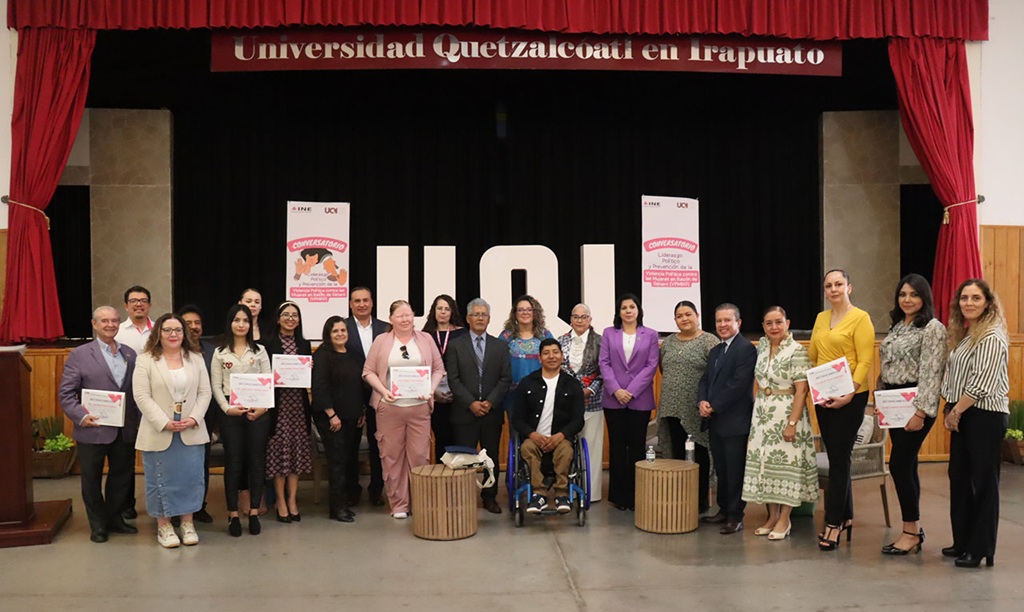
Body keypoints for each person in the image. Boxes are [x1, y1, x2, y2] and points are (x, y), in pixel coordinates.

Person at [940, 278, 1009, 568]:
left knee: (983, 483)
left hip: (984, 416)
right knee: (959, 478)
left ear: (988, 303)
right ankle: (963, 541)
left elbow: (981, 383)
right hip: (963, 413)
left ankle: (981, 548)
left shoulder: (992, 336)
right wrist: (952, 409)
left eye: (975, 298)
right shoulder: (969, 335)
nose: (969, 303)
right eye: (964, 298)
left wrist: (955, 412)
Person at [58, 306, 140, 543]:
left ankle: (114, 519)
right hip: (92, 429)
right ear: (94, 324)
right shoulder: (80, 354)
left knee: (122, 477)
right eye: (104, 321)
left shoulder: (130, 354)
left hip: (124, 429)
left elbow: (134, 392)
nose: (110, 325)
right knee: (91, 480)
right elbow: (66, 393)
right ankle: (98, 525)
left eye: (114, 321)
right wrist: (82, 417)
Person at [877, 274, 947, 555]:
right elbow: (887, 365)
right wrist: (880, 397)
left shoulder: (932, 328)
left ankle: (910, 532)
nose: (907, 299)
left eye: (914, 295)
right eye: (903, 294)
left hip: (915, 402)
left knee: (899, 465)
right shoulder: (897, 326)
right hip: (893, 402)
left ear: (924, 298)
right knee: (907, 466)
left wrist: (921, 412)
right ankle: (913, 530)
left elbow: (932, 373)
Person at [808, 269, 875, 551]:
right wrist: (818, 385)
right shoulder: (822, 318)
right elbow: (814, 353)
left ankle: (833, 524)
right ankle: (846, 516)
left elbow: (865, 358)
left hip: (851, 396)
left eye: (838, 284)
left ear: (849, 287)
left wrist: (850, 392)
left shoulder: (861, 318)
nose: (833, 289)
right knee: (838, 457)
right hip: (824, 397)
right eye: (828, 285)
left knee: (838, 459)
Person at [133, 313, 212, 548]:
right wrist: (163, 421)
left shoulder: (195, 358)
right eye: (167, 330)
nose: (173, 334)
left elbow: (204, 393)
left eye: (178, 330)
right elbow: (141, 395)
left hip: (191, 428)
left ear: (184, 333)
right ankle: (164, 527)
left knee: (190, 478)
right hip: (160, 429)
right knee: (160, 481)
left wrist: (194, 418)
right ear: (158, 333)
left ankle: (187, 524)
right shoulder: (145, 359)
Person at [362, 300, 445, 519]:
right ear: (391, 319)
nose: (405, 319)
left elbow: (438, 369)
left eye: (408, 315)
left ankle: (420, 502)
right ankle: (398, 504)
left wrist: (430, 389)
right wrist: (383, 390)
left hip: (419, 408)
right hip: (389, 408)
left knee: (419, 456)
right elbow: (368, 371)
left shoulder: (426, 339)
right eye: (400, 316)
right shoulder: (381, 341)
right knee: (392, 456)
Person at [742, 306, 818, 541]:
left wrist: (792, 423)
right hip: (763, 414)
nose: (774, 327)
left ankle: (785, 519)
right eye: (768, 323)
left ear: (787, 323)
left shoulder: (797, 351)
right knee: (767, 467)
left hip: (787, 413)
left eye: (778, 322)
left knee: (787, 468)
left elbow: (802, 390)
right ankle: (772, 516)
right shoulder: (762, 347)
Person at [211, 304, 273, 536]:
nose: (241, 324)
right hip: (232, 413)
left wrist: (262, 408)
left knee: (257, 462)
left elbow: (269, 382)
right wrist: (227, 409)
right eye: (236, 320)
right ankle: (233, 515)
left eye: (245, 320)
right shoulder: (219, 353)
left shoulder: (260, 351)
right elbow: (216, 386)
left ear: (251, 324)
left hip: (258, 412)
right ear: (230, 323)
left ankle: (254, 512)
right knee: (234, 463)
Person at [446, 298, 512, 514]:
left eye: (484, 314)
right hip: (464, 412)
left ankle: (490, 497)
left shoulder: (500, 346)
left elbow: (505, 378)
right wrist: (471, 403)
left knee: (491, 457)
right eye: (476, 314)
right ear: (467, 318)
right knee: (464, 459)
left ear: (490, 319)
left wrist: (490, 402)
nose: (480, 318)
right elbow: (453, 379)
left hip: (491, 413)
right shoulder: (456, 346)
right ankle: (463, 497)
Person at [698, 303, 757, 535]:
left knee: (735, 470)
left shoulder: (746, 349)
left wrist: (713, 406)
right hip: (715, 421)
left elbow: (738, 385)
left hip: (735, 421)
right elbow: (705, 380)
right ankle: (723, 509)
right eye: (719, 321)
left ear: (738, 323)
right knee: (721, 469)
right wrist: (702, 401)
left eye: (727, 321)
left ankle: (735, 515)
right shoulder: (715, 350)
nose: (722, 325)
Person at [598, 293, 660, 511]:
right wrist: (616, 389)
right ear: (619, 312)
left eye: (632, 307)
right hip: (613, 400)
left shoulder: (650, 335)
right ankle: (618, 496)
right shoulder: (608, 333)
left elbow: (651, 366)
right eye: (624, 307)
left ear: (638, 310)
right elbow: (604, 363)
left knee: (636, 448)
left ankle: (636, 495)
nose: (628, 311)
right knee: (616, 447)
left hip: (639, 399)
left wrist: (630, 391)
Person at [656, 300, 719, 513]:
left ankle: (699, 501)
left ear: (697, 315)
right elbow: (663, 367)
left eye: (688, 314)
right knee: (675, 453)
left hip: (697, 407)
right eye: (679, 316)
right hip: (671, 407)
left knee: (699, 454)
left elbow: (715, 374)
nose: (684, 319)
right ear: (675, 320)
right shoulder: (669, 342)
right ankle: (678, 500)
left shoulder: (709, 341)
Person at [512, 338, 585, 514]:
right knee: (527, 449)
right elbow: (517, 419)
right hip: (534, 439)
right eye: (546, 353)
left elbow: (578, 420)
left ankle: (562, 493)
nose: (551, 356)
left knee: (566, 451)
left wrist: (561, 435)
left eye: (555, 352)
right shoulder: (527, 383)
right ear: (540, 358)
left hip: (561, 439)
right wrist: (532, 435)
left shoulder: (572, 385)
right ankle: (539, 495)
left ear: (562, 356)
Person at [311, 316, 365, 523]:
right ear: (328, 334)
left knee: (349, 461)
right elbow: (320, 387)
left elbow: (358, 385)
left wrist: (360, 411)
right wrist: (332, 414)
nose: (340, 334)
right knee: (337, 462)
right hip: (332, 419)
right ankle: (337, 508)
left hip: (352, 417)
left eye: (343, 330)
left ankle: (346, 502)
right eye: (335, 331)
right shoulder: (323, 355)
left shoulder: (352, 355)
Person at [264, 301, 314, 522]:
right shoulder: (267, 344)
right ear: (278, 318)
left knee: (295, 455)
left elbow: (308, 379)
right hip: (278, 407)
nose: (291, 318)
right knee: (279, 455)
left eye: (295, 315)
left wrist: (310, 368)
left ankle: (293, 499)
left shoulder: (304, 344)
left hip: (298, 407)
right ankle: (280, 501)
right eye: (286, 314)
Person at [346, 286, 390, 506]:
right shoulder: (341, 328)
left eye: (365, 300)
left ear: (372, 303)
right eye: (357, 301)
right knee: (351, 445)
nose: (361, 304)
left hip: (379, 393)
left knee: (378, 442)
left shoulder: (385, 328)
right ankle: (352, 489)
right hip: (350, 395)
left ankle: (376, 489)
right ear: (351, 304)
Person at [114, 284, 154, 520]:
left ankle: (158, 499)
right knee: (124, 454)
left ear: (149, 305)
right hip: (126, 400)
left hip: (154, 399)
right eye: (133, 300)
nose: (138, 304)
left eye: (143, 300)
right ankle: (126, 503)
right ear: (126, 305)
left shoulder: (160, 330)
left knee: (156, 449)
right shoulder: (117, 332)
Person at [557, 303, 604, 502]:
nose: (579, 320)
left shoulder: (601, 341)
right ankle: (566, 491)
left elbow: (604, 371)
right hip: (566, 402)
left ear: (590, 320)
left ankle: (591, 493)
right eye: (575, 317)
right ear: (570, 319)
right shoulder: (560, 341)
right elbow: (557, 368)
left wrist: (589, 389)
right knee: (566, 448)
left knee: (591, 448)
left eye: (584, 317)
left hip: (592, 401)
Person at [177, 304, 218, 524]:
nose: (194, 327)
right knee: (178, 463)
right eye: (188, 323)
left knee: (200, 463)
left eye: (197, 323)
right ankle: (176, 509)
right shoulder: (172, 350)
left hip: (206, 416)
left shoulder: (212, 351)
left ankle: (198, 506)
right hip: (176, 416)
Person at [422, 294, 467, 462]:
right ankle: (441, 480)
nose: (443, 312)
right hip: (435, 395)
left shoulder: (463, 334)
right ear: (434, 311)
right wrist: (433, 392)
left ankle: (458, 481)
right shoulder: (424, 335)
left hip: (458, 395)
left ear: (452, 312)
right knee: (441, 436)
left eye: (447, 309)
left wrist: (457, 391)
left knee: (458, 437)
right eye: (439, 308)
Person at [499, 294, 554, 411]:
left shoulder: (545, 336)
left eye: (529, 309)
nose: (525, 313)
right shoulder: (505, 336)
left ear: (535, 313)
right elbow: (497, 364)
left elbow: (554, 362)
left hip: (541, 395)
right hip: (513, 397)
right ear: (515, 313)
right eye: (521, 310)